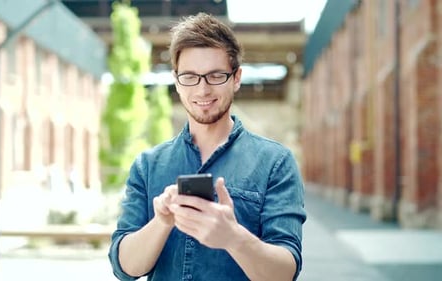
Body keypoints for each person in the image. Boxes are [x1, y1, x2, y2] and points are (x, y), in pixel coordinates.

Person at [108, 12, 306, 281]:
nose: (202, 90)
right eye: (190, 76)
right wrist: (162, 221)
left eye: (215, 76)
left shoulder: (275, 163)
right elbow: (125, 267)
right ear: (177, 81)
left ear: (236, 78)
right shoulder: (148, 165)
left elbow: (285, 272)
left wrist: (234, 238)